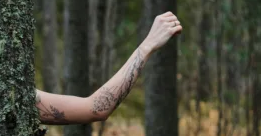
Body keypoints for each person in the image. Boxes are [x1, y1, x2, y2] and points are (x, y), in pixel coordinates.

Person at [36, 12, 182, 125]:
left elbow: (96, 107)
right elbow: (97, 108)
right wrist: (147, 46)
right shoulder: (17, 94)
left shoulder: (18, 93)